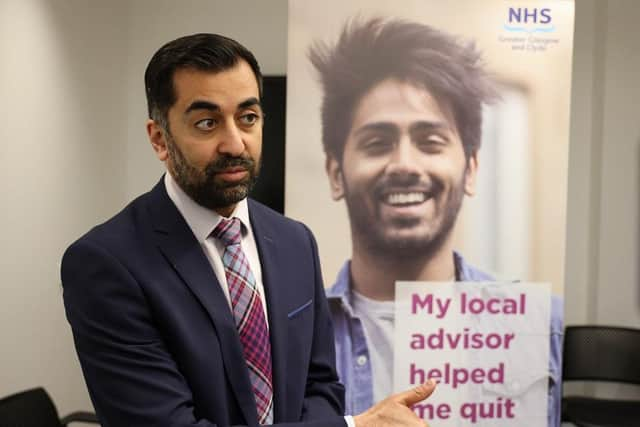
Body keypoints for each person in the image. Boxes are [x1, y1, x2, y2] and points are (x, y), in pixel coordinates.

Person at [61, 33, 437, 427]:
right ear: (160, 139)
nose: (235, 142)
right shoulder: (107, 263)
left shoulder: (294, 241)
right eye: (207, 123)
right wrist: (354, 426)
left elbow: (320, 386)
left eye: (248, 118)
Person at [309, 18, 563, 426]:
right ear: (336, 173)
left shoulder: (545, 327)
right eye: (378, 143)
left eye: (430, 142)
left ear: (471, 170)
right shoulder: (292, 337)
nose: (405, 164)